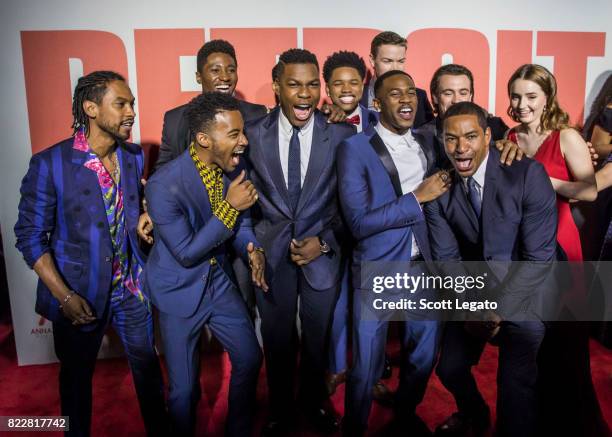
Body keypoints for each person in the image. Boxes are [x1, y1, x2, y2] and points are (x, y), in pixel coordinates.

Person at [14, 71, 168, 437]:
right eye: (121, 104)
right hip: (78, 293)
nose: (131, 111)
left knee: (148, 374)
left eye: (132, 103)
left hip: (131, 288)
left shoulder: (131, 156)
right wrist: (64, 296)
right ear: (91, 108)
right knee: (76, 383)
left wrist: (144, 216)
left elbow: (130, 209)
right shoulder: (50, 163)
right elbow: (30, 237)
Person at [426, 101, 559, 437]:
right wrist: (473, 306)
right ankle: (475, 415)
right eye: (451, 139)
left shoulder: (527, 174)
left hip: (526, 291)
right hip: (474, 293)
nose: (461, 148)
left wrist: (497, 310)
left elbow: (539, 259)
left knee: (514, 386)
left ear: (488, 136)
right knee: (450, 368)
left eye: (470, 136)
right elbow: (447, 259)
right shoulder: (439, 189)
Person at [244, 48, 355, 436]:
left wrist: (323, 242)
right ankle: (279, 409)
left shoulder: (343, 134)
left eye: (312, 85)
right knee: (276, 340)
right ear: (277, 87)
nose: (304, 94)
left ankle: (313, 402)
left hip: (322, 256)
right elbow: (241, 198)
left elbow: (350, 204)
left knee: (317, 339)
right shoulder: (252, 133)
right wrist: (253, 246)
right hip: (270, 256)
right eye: (294, 85)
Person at [144, 92, 265, 436]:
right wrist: (230, 207)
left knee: (250, 357)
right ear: (203, 139)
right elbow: (185, 251)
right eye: (234, 135)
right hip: (178, 290)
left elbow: (242, 225)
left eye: (242, 133)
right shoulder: (162, 186)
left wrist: (252, 248)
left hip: (218, 280)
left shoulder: (233, 166)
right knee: (183, 391)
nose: (243, 142)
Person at [338, 70, 450, 436]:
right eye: (395, 94)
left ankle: (404, 414)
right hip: (379, 267)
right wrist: (417, 197)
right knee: (367, 363)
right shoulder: (353, 149)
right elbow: (358, 222)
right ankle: (355, 426)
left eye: (410, 94)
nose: (406, 100)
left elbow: (476, 144)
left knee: (422, 356)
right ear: (376, 103)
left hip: (425, 269)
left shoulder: (429, 142)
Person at [507, 64, 608, 437]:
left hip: (562, 246)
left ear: (547, 97)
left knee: (565, 347)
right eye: (516, 96)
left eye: (531, 96)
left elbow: (590, 191)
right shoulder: (509, 138)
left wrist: (544, 181)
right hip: (523, 249)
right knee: (530, 347)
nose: (521, 104)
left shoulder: (566, 137)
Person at [321, 49, 394, 401]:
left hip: (374, 228)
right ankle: (337, 368)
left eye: (353, 81)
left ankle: (372, 371)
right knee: (337, 303)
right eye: (338, 83)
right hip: (333, 228)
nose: (346, 89)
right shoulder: (319, 120)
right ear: (327, 87)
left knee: (373, 305)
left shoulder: (382, 120)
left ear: (365, 83)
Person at [155, 39, 268, 170]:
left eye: (231, 70)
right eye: (215, 70)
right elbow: (163, 169)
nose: (225, 77)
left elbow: (265, 169)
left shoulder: (258, 115)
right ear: (198, 77)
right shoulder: (174, 119)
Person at [421, 64, 510, 160]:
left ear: (470, 96)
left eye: (463, 93)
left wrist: (511, 146)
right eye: (448, 93)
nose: (456, 100)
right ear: (435, 98)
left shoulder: (495, 127)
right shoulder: (422, 137)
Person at [360, 31, 434, 128]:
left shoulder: (420, 96)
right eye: (387, 61)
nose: (395, 68)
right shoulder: (358, 96)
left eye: (400, 61)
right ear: (372, 60)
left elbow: (428, 134)